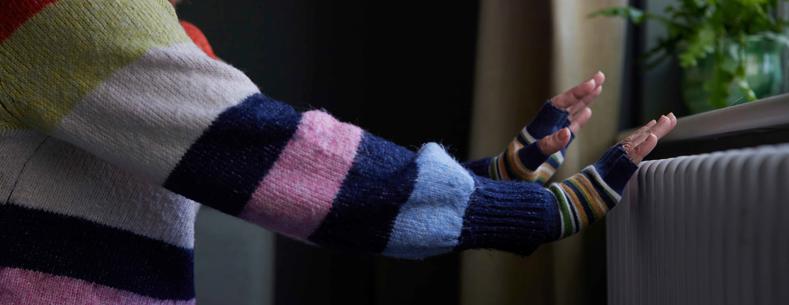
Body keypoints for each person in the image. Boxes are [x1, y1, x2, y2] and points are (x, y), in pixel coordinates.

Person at [0, 0, 676, 303]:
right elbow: (290, 163)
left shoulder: (157, 32)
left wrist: (498, 177)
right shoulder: (62, 11)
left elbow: (296, 187)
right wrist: (536, 210)